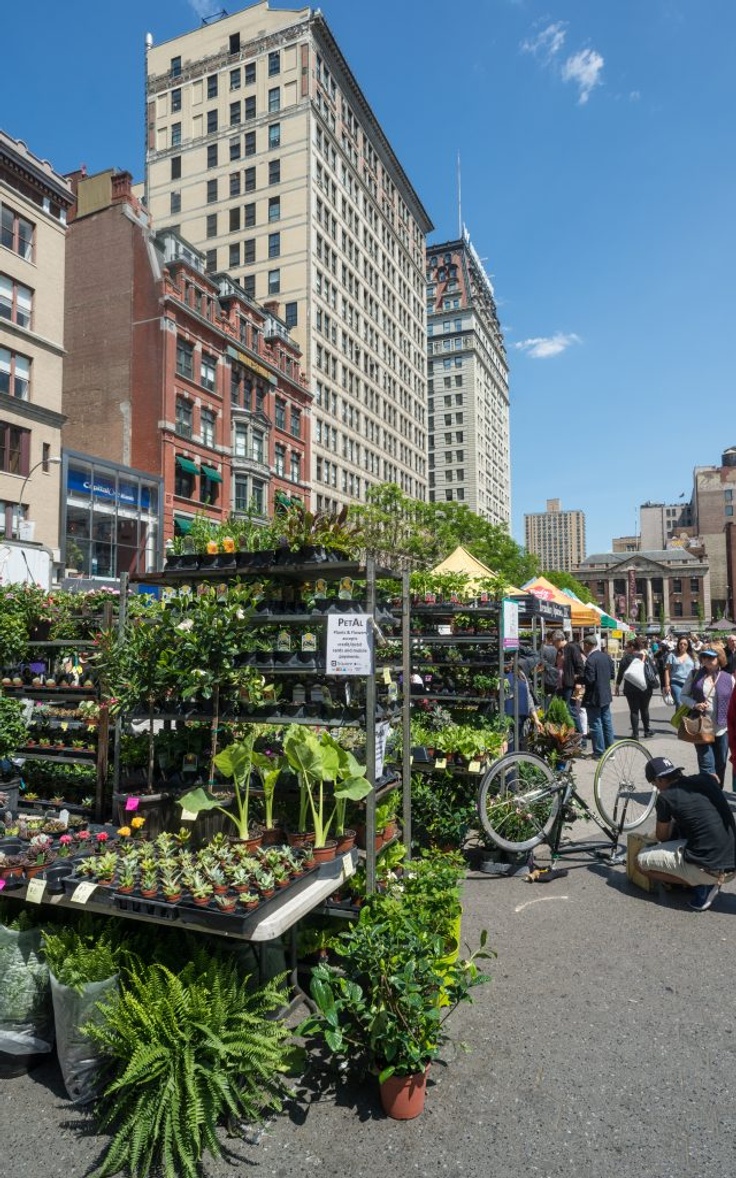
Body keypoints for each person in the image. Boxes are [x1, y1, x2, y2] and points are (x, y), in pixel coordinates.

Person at [636, 756, 736, 911]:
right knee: (684, 827)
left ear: (659, 780)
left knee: (640, 863)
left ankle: (702, 884)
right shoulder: (704, 779)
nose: (656, 787)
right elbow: (714, 777)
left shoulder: (665, 797)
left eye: (654, 784)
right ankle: (700, 877)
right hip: (732, 859)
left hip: (712, 869)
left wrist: (649, 837)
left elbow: (662, 836)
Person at [680, 644, 735, 786]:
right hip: (701, 727)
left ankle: (718, 793)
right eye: (704, 656)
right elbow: (683, 695)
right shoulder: (694, 674)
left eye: (711, 657)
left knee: (720, 764)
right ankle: (709, 797)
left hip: (722, 729)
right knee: (706, 765)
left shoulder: (729, 678)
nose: (707, 659)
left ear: (720, 658)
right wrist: (695, 704)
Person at [581, 634, 615, 760]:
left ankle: (599, 752)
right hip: (605, 694)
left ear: (589, 645)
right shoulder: (605, 657)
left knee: (596, 724)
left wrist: (578, 678)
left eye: (585, 644)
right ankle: (610, 751)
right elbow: (612, 675)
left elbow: (589, 679)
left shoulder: (591, 659)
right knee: (607, 722)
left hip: (594, 696)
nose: (583, 647)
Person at [615, 638, 653, 739]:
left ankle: (635, 734)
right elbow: (654, 671)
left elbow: (620, 673)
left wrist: (617, 685)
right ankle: (647, 731)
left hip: (630, 688)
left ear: (632, 647)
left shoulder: (626, 658)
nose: (625, 649)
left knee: (634, 711)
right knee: (645, 709)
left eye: (626, 647)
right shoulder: (645, 657)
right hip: (645, 687)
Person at [550, 629, 584, 731]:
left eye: (554, 642)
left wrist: (578, 682)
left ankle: (580, 738)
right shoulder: (560, 650)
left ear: (559, 640)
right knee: (563, 710)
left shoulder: (571, 648)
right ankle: (569, 735)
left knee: (571, 710)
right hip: (561, 685)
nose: (553, 644)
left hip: (570, 685)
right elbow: (558, 666)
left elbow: (580, 665)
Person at [663, 636, 697, 706]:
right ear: (678, 644)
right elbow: (667, 671)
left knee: (686, 705)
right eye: (681, 644)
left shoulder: (693, 656)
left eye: (685, 644)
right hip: (676, 682)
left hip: (689, 683)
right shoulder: (672, 655)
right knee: (680, 702)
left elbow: (697, 670)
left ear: (688, 646)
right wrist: (667, 685)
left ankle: (678, 717)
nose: (682, 646)